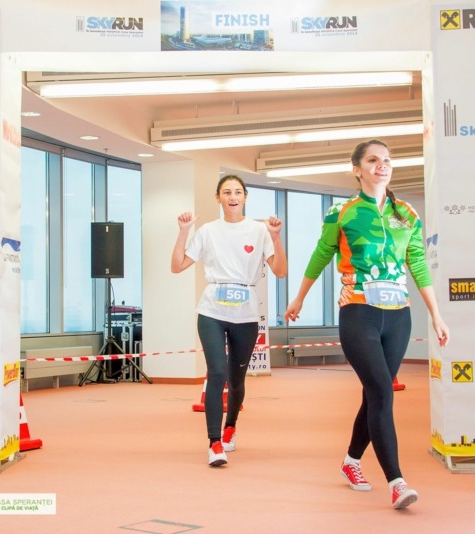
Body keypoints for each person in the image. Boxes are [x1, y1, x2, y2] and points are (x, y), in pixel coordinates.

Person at [284, 139, 449, 510]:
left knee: (376, 393)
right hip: (358, 310)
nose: (382, 165)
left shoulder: (407, 214)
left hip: (399, 315)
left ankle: (351, 461)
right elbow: (321, 254)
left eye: (387, 160)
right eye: (373, 160)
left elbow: (417, 263)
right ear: (357, 169)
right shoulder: (342, 213)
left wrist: (436, 314)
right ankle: (397, 482)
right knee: (382, 392)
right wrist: (299, 298)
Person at [171, 174, 287, 467]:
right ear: (218, 198)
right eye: (226, 192)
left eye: (237, 192)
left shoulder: (259, 230)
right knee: (217, 372)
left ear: (245, 197)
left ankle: (230, 426)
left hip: (246, 313)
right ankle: (214, 443)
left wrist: (276, 236)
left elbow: (281, 271)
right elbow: (177, 266)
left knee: (236, 379)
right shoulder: (208, 231)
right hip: (212, 310)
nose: (232, 197)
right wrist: (184, 231)